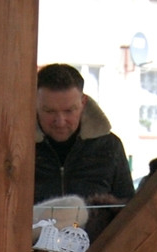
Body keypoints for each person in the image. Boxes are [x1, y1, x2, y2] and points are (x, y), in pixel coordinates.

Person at [34, 63, 135, 204]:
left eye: (69, 111)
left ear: (83, 102)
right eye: (49, 111)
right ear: (34, 103)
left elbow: (128, 211)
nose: (60, 121)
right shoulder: (16, 147)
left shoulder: (109, 147)